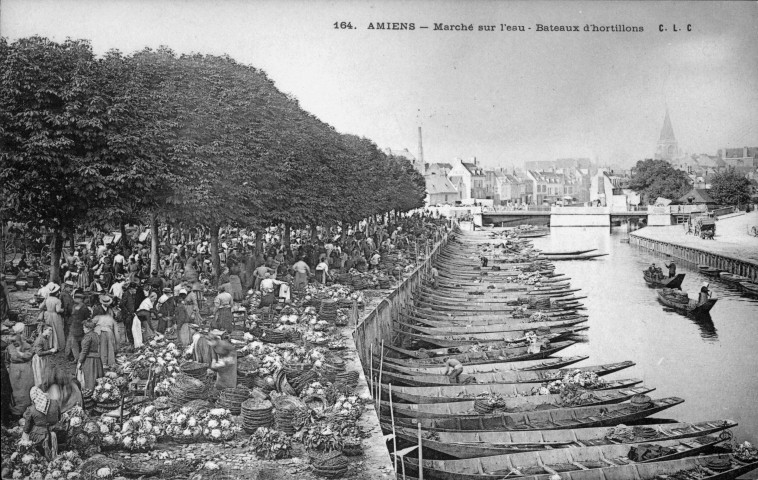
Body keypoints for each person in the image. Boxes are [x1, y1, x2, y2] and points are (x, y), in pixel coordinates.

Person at [22, 386, 61, 460]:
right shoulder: (55, 402)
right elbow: (59, 417)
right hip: (57, 432)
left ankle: (44, 452)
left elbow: (27, 428)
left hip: (41, 436)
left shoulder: (31, 409)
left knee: (31, 429)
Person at [8, 330, 35, 415]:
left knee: (26, 388)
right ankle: (16, 410)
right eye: (12, 341)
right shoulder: (9, 347)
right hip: (14, 370)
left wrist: (20, 353)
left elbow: (29, 355)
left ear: (19, 339)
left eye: (15, 340)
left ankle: (27, 409)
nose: (13, 343)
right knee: (15, 389)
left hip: (25, 369)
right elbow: (7, 359)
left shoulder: (27, 345)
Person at [78, 320, 104, 390]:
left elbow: (84, 351)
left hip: (89, 360)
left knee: (90, 377)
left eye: (84, 328)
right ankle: (98, 392)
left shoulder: (88, 337)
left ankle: (90, 391)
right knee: (97, 377)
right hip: (97, 358)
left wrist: (80, 361)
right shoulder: (96, 335)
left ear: (88, 328)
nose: (83, 329)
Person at [41, 284, 66, 353]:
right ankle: (56, 345)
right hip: (55, 315)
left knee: (49, 329)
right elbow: (58, 310)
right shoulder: (57, 300)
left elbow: (40, 307)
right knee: (56, 330)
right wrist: (63, 310)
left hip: (48, 314)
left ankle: (49, 344)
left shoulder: (47, 299)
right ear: (56, 293)